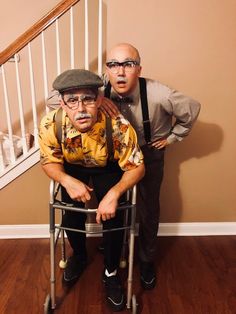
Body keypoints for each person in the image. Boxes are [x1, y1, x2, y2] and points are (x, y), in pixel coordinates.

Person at [38, 69, 145, 312]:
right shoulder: (50, 124)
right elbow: (49, 161)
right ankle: (79, 255)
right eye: (72, 101)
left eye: (87, 98)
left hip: (107, 165)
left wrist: (115, 193)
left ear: (99, 100)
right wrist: (65, 179)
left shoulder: (118, 125)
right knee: (72, 212)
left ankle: (110, 271)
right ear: (62, 103)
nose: (81, 108)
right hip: (71, 167)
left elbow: (137, 167)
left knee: (114, 215)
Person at [100, 43, 201, 290]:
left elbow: (192, 109)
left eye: (128, 64)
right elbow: (56, 97)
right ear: (107, 69)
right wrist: (98, 99)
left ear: (139, 68)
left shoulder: (159, 94)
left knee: (148, 209)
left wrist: (172, 137)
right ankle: (113, 254)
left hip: (148, 153)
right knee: (113, 203)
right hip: (113, 154)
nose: (120, 72)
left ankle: (146, 261)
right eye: (113, 65)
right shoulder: (97, 88)